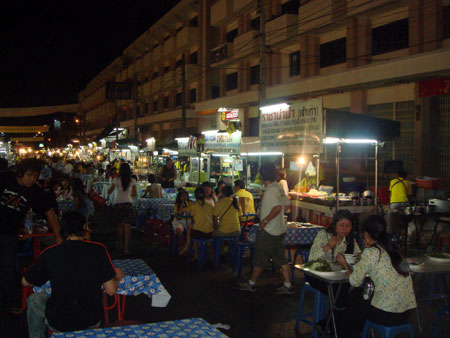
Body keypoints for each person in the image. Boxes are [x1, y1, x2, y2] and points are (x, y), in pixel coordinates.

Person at [22, 211, 124, 337]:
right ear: (84, 228)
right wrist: (117, 278)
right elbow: (111, 290)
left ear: (62, 229)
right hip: (90, 321)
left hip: (59, 322)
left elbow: (25, 282)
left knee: (34, 299)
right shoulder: (99, 250)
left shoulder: (50, 253)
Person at [336, 215, 417, 338]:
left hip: (387, 314)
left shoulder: (371, 252)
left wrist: (345, 264)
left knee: (355, 299)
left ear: (367, 234)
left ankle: (346, 334)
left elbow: (354, 281)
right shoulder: (396, 251)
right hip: (406, 312)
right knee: (359, 297)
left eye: (363, 236)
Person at [0, 158, 62, 315]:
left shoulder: (35, 191)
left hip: (9, 234)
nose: (32, 179)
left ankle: (9, 303)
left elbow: (50, 214)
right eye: (29, 175)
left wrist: (59, 238)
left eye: (36, 176)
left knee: (9, 269)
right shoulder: (4, 178)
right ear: (20, 173)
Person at [237, 162, 293, 295]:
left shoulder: (271, 190)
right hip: (279, 229)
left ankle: (251, 283)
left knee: (259, 258)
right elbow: (287, 204)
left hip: (269, 230)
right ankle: (287, 285)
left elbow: (278, 208)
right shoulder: (277, 187)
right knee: (281, 258)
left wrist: (265, 220)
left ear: (262, 176)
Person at [307, 210, 361, 321]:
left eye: (348, 226)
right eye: (341, 225)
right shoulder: (323, 235)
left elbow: (359, 254)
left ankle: (337, 321)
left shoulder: (349, 239)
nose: (345, 229)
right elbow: (311, 259)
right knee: (341, 291)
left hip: (339, 276)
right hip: (317, 275)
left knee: (356, 290)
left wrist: (361, 256)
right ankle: (334, 323)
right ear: (334, 224)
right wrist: (327, 246)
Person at [108, 163, 137, 255]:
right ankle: (126, 248)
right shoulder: (132, 180)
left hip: (119, 204)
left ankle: (119, 244)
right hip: (128, 204)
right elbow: (135, 194)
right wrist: (128, 194)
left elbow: (109, 191)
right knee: (127, 227)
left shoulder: (116, 179)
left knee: (120, 226)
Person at [179, 187, 214, 257]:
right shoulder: (211, 206)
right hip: (210, 233)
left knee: (192, 232)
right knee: (199, 232)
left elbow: (193, 220)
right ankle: (211, 254)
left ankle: (195, 254)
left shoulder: (194, 206)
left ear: (195, 196)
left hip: (199, 233)